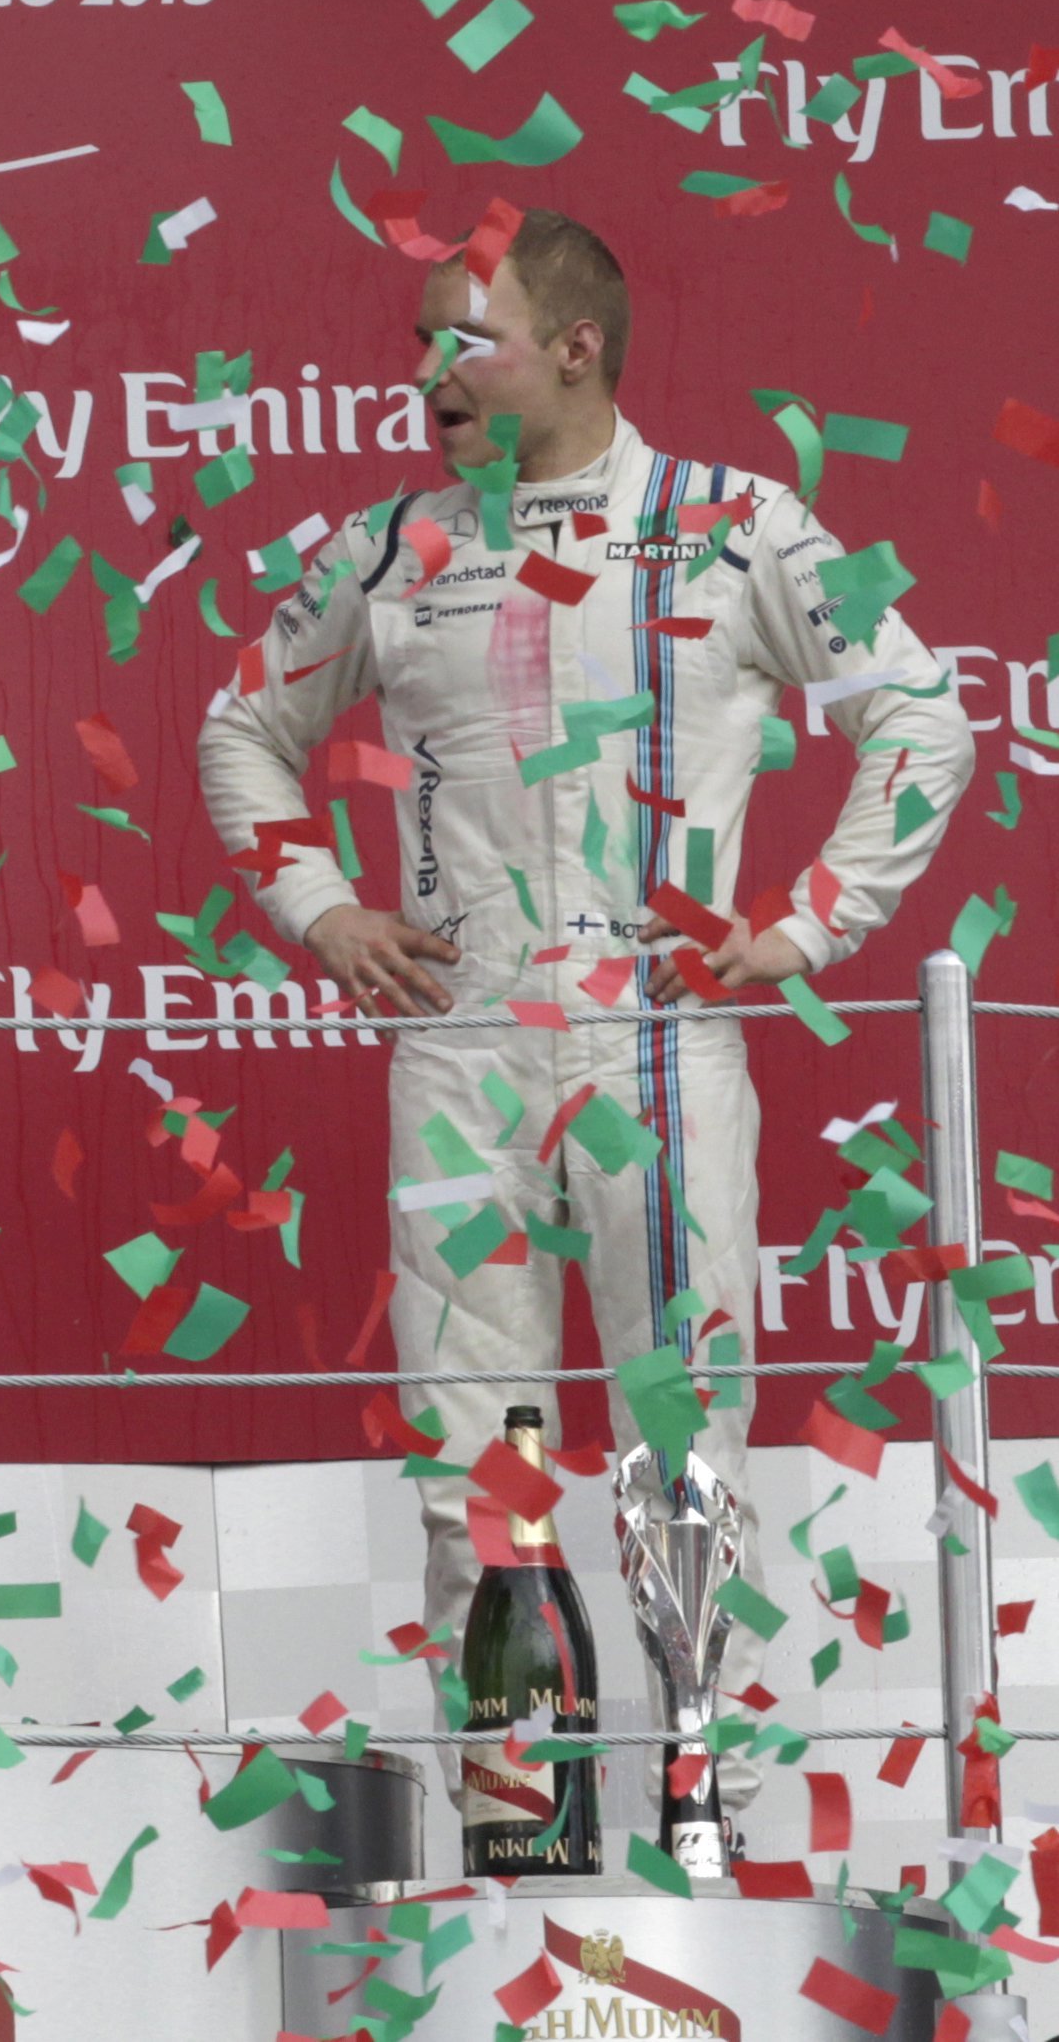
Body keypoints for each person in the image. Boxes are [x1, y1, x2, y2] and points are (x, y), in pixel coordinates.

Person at [197, 210, 973, 1833]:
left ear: (576, 346)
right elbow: (239, 729)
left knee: (686, 1446)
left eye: (455, 341)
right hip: (464, 1050)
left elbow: (922, 721)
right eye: (416, 344)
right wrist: (327, 915)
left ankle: (699, 1802)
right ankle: (515, 1821)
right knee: (468, 1452)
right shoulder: (390, 545)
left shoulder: (735, 522)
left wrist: (805, 926)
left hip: (658, 1048)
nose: (423, 376)